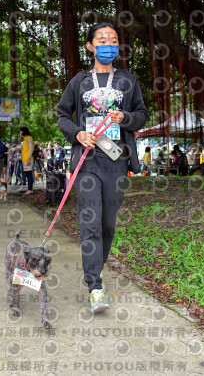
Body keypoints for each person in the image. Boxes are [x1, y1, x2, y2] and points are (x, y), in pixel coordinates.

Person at [57, 22, 149, 313]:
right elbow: (62, 115)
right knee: (90, 223)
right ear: (90, 46)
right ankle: (94, 284)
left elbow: (142, 114)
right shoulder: (79, 82)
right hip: (87, 161)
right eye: (101, 40)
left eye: (113, 40)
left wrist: (125, 118)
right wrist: (78, 133)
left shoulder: (128, 81)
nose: (108, 44)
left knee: (107, 224)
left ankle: (96, 269)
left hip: (116, 160)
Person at [19, 127, 34, 195]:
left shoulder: (29, 139)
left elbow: (31, 149)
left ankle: (30, 189)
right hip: (25, 159)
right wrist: (11, 150)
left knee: (29, 174)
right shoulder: (25, 140)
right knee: (28, 174)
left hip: (28, 159)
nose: (20, 133)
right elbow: (19, 147)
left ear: (23, 131)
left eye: (20, 131)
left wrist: (28, 158)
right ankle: (29, 189)